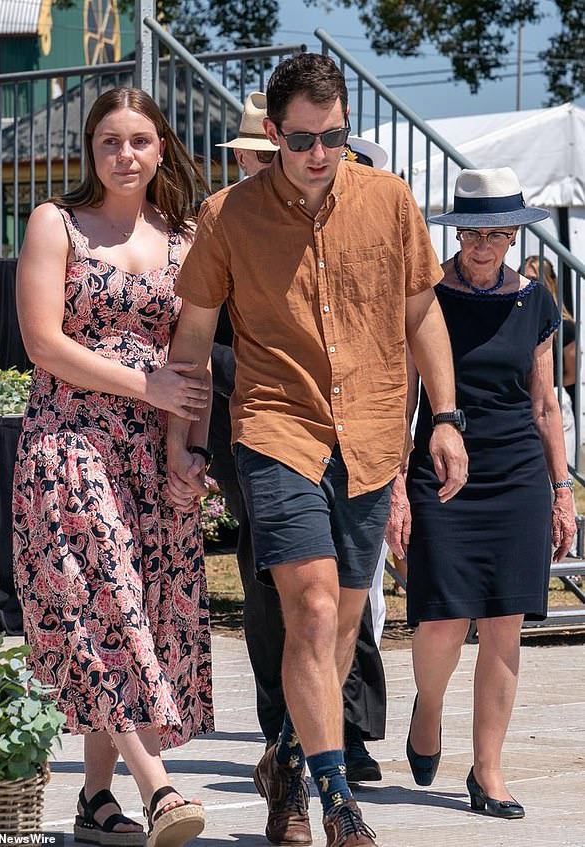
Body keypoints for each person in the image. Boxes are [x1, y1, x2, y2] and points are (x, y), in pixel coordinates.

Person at [166, 53, 466, 847]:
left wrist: (446, 416)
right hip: (276, 431)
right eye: (302, 140)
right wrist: (182, 438)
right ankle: (337, 802)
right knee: (316, 605)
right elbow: (191, 342)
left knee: (337, 634)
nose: (320, 154)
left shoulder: (389, 200)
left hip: (369, 434)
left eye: (333, 136)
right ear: (273, 134)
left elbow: (421, 316)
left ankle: (287, 766)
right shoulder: (229, 217)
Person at [12, 87, 213, 847]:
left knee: (142, 610)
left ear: (161, 147)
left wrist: (186, 446)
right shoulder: (54, 223)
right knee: (105, 598)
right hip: (67, 441)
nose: (124, 154)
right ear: (89, 151)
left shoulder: (188, 237)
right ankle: (157, 787)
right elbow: (42, 342)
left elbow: (192, 361)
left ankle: (95, 798)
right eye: (108, 142)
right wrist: (147, 383)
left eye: (138, 140)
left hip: (149, 448)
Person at [389, 167, 576, 820]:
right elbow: (402, 400)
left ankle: (488, 771)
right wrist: (395, 489)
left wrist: (562, 490)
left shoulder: (537, 303)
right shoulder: (424, 296)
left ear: (514, 233)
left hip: (519, 476)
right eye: (473, 231)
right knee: (440, 617)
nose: (484, 244)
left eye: (498, 232)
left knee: (504, 624)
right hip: (440, 474)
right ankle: (429, 706)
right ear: (458, 230)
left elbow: (546, 404)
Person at [212, 99, 390, 784]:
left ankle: (345, 726)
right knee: (279, 592)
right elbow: (205, 343)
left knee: (344, 587)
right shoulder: (227, 220)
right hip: (255, 427)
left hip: (344, 425)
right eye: (265, 148)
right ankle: (283, 734)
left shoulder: (338, 216)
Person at [523, 255, 577, 466]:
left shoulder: (565, 326)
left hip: (552, 397)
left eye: (534, 279)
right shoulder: (515, 320)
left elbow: (571, 374)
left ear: (549, 282)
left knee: (561, 477)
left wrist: (547, 387)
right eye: (523, 278)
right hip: (522, 399)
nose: (528, 284)